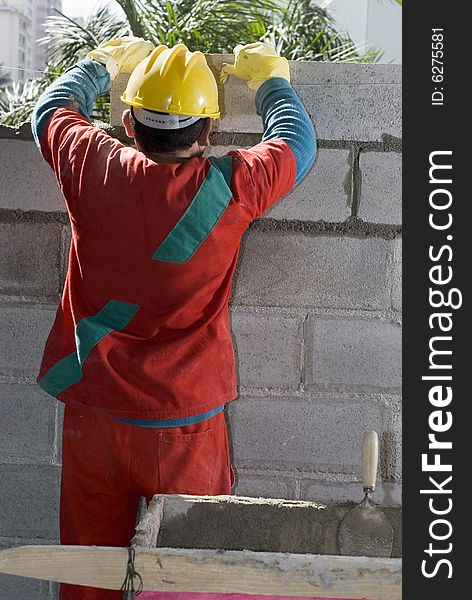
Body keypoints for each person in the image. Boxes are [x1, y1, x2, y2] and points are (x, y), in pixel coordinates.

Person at [31, 38, 316, 600]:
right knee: (188, 577)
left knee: (88, 576)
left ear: (131, 124)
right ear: (207, 132)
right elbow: (297, 145)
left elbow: (50, 111)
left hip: (96, 412)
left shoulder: (92, 164)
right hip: (184, 422)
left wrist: (102, 65)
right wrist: (269, 80)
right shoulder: (231, 187)